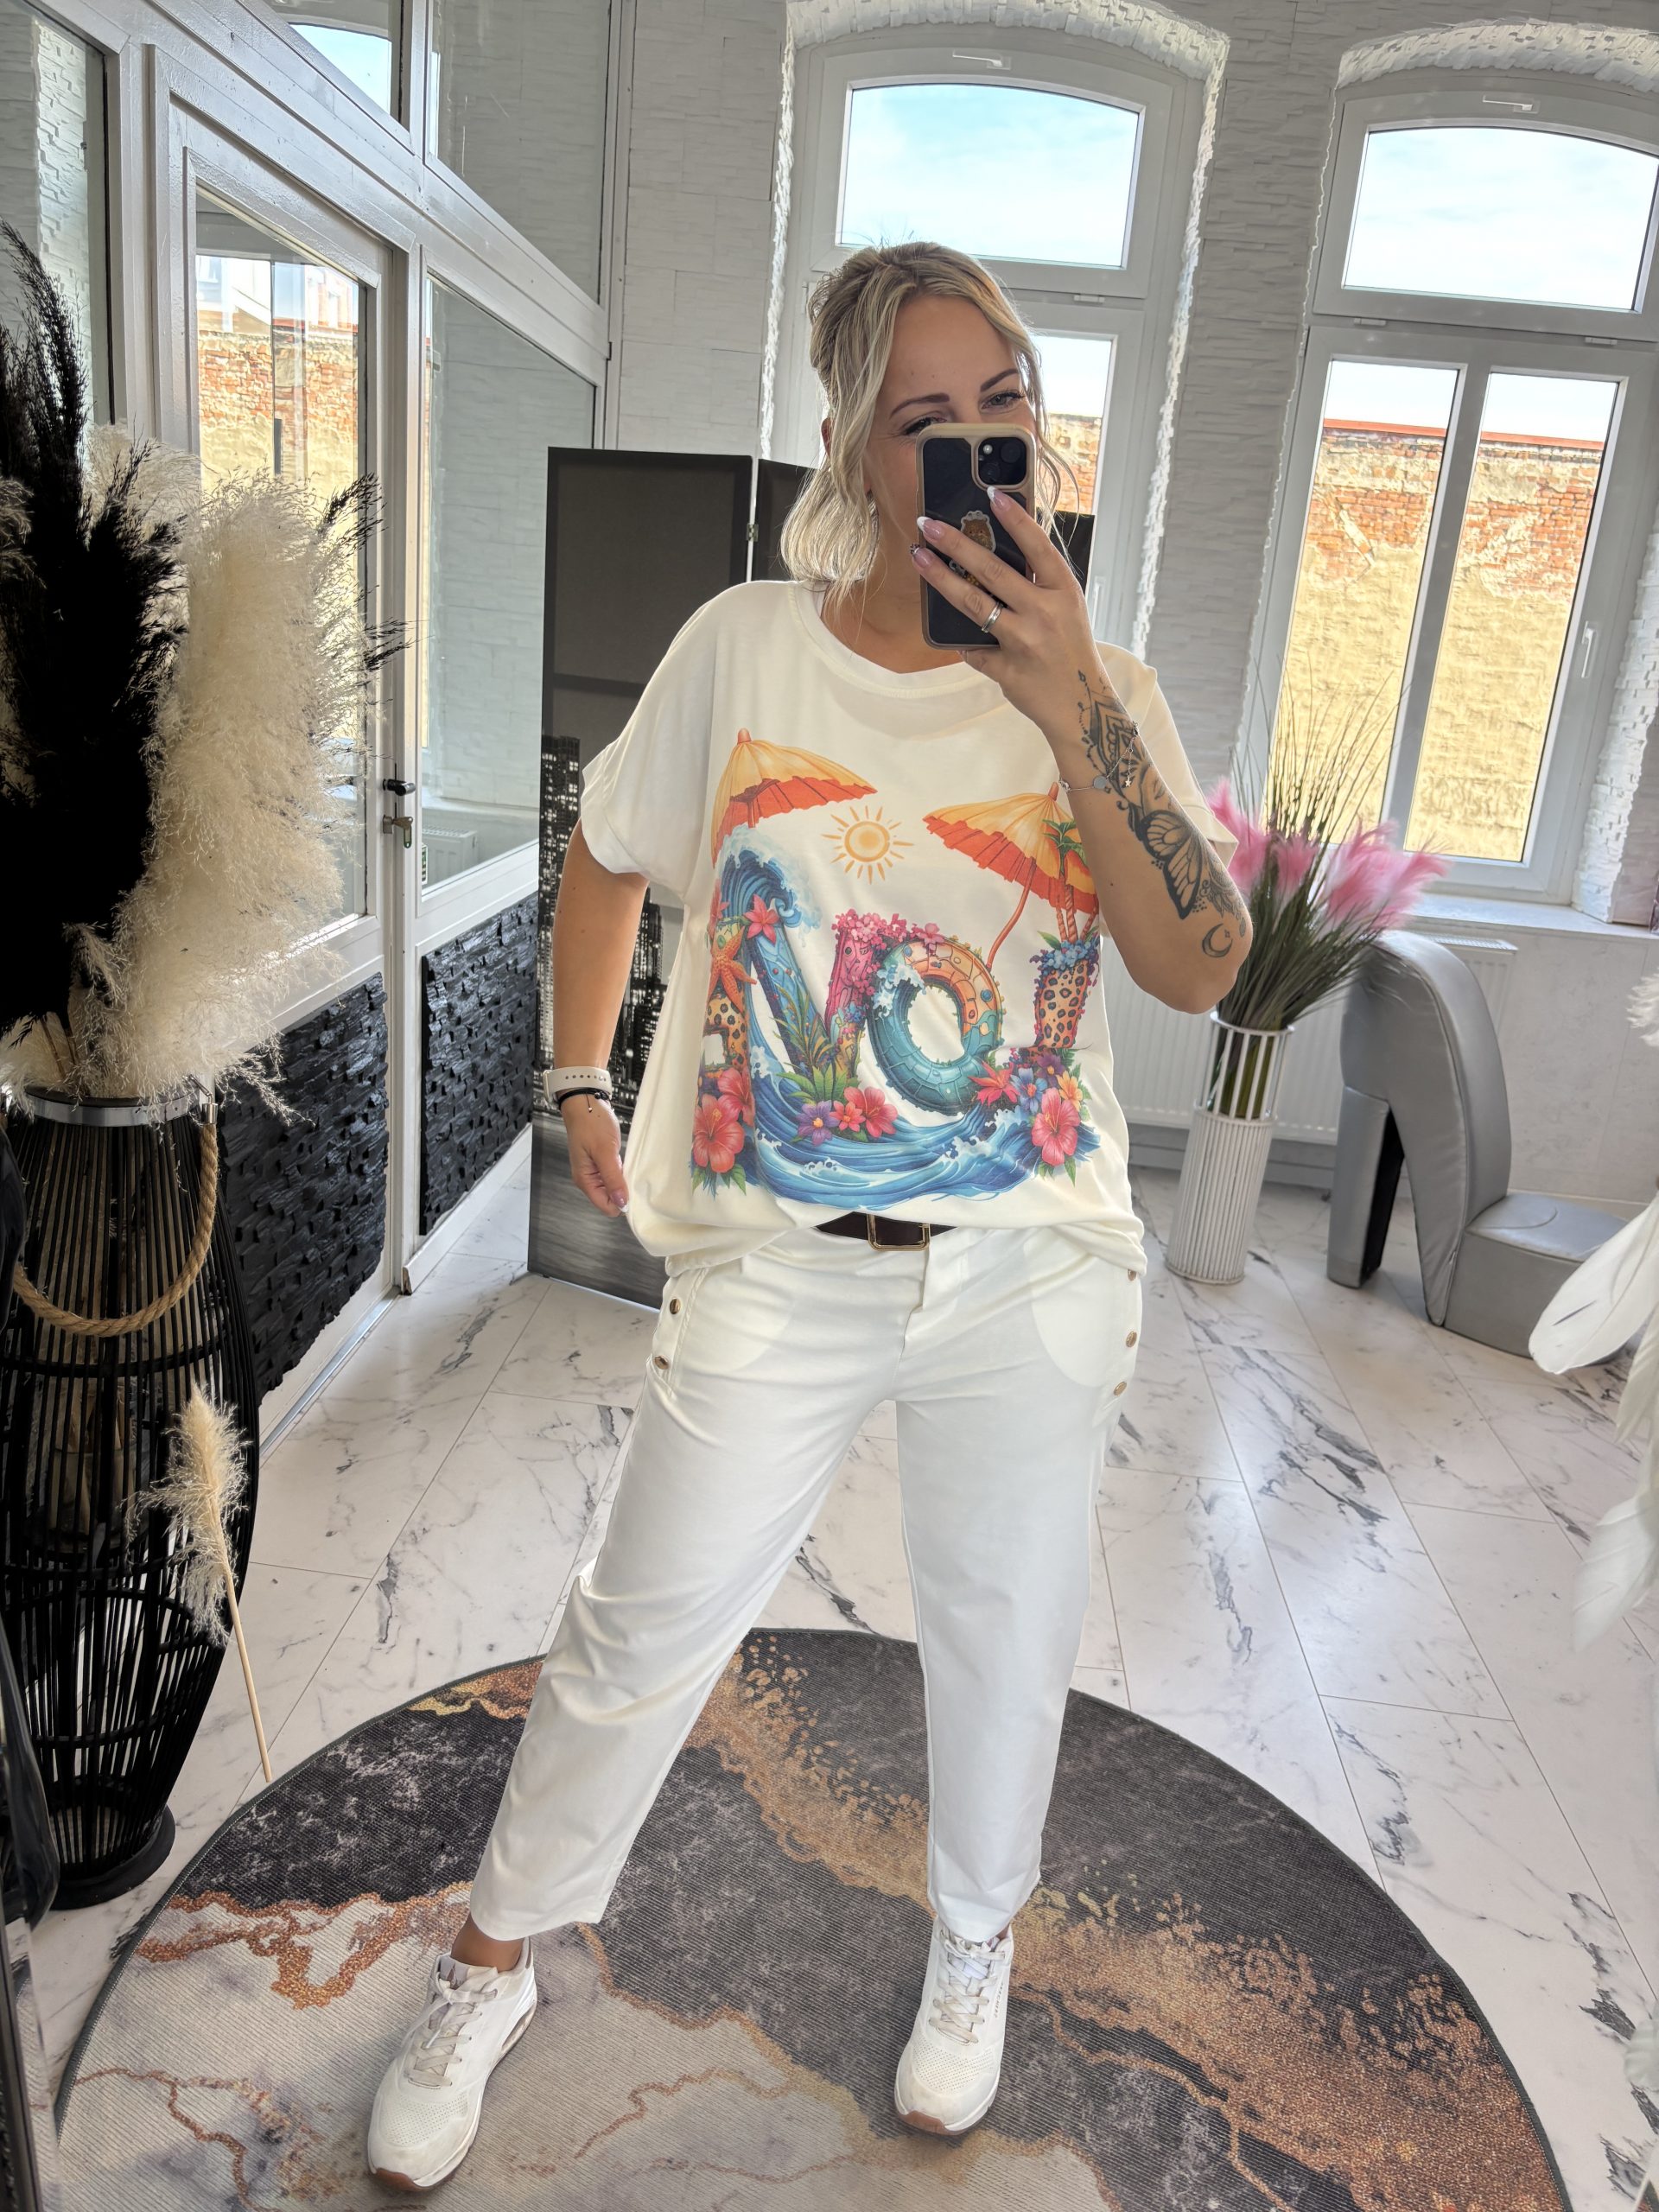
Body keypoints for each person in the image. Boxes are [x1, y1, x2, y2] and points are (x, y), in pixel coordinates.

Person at [365, 238, 1249, 2192]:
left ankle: (973, 1944)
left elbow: (1202, 958)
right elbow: (608, 847)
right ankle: (493, 1957)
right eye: (926, 418)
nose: (977, 445)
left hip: (1028, 1263)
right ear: (850, 442)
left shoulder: (1107, 694)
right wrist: (577, 1071)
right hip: (780, 1257)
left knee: (1003, 1636)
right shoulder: (746, 650)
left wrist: (1072, 697)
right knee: (640, 1617)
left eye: (1003, 404)